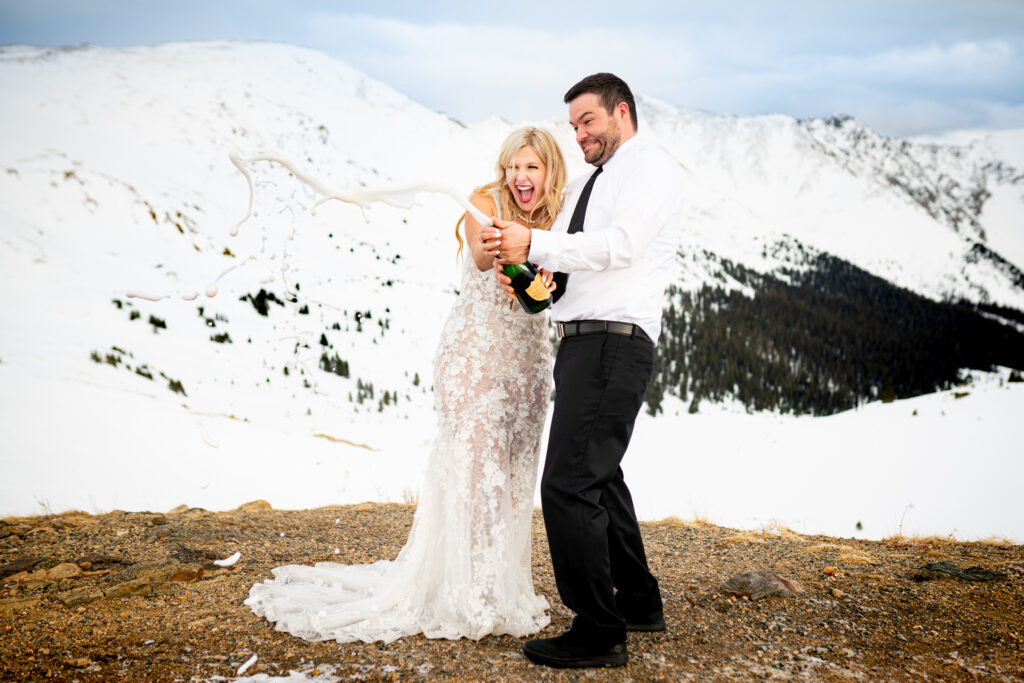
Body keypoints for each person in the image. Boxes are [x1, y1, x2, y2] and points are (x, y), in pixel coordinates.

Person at [245, 127, 567, 643]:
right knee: (474, 473)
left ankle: (503, 588)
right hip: (476, 355)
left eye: (531, 167)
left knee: (512, 476)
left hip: (528, 360)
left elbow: (559, 275)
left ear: (549, 171)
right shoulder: (483, 204)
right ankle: (471, 595)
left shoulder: (558, 217)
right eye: (514, 166)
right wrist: (504, 258)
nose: (520, 177)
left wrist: (550, 280)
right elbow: (485, 256)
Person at [487, 73, 685, 668]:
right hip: (583, 341)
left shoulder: (649, 169)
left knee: (568, 484)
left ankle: (599, 630)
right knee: (599, 476)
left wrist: (537, 245)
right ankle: (639, 602)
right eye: (573, 125)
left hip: (613, 343)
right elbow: (562, 281)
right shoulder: (587, 185)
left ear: (621, 112)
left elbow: (618, 246)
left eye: (588, 122)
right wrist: (528, 282)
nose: (579, 135)